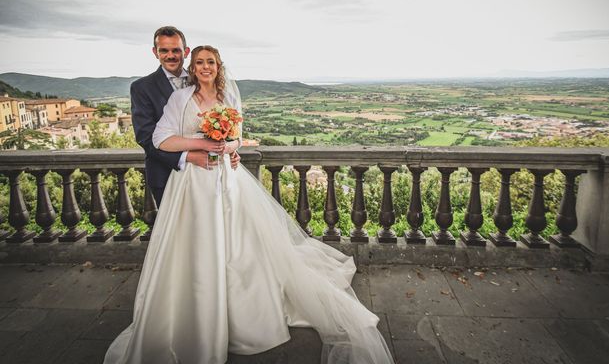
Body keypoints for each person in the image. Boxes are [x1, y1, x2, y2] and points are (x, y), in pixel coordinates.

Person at [104, 46, 394, 364]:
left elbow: (238, 137)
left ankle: (244, 315)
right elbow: (161, 138)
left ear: (218, 66)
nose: (204, 67)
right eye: (198, 62)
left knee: (239, 246)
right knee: (194, 247)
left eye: (210, 62)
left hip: (227, 179)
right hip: (192, 183)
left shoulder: (229, 96)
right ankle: (196, 314)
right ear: (192, 65)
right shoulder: (179, 99)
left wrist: (228, 146)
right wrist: (202, 144)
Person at [130, 26, 239, 206]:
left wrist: (229, 149)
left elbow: (226, 129)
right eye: (164, 50)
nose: (170, 55)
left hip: (212, 173)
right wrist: (187, 156)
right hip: (165, 173)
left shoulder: (202, 78)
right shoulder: (142, 88)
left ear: (186, 52)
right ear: (155, 52)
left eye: (176, 50)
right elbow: (146, 137)